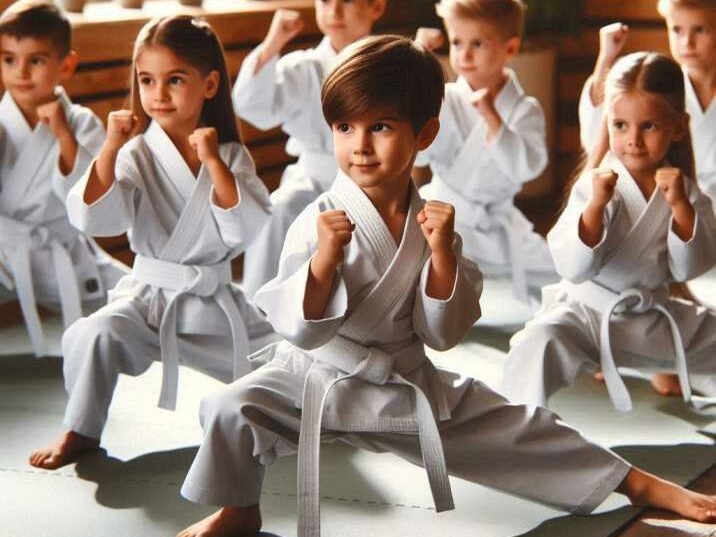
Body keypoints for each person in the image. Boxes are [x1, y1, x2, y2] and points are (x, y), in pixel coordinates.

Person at [178, 37, 716, 537]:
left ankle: (634, 482)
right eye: (345, 128)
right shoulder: (321, 218)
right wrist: (322, 262)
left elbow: (441, 334)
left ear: (425, 134)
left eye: (382, 127)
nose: (360, 146)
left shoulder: (432, 223)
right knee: (232, 406)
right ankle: (238, 508)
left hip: (405, 382)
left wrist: (439, 256)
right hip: (317, 376)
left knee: (519, 427)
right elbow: (298, 328)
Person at [29, 15, 273, 471]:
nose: (158, 93)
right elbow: (99, 216)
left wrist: (212, 162)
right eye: (146, 80)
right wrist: (111, 145)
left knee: (287, 358)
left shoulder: (231, 155)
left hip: (213, 304)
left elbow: (243, 229)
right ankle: (80, 428)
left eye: (174, 79)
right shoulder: (136, 152)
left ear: (209, 84)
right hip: (146, 302)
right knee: (94, 332)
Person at [502, 52, 716, 410]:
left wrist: (680, 207)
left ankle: (672, 371)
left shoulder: (687, 193)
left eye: (649, 126)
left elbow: (688, 270)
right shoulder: (595, 186)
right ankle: (520, 437)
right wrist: (596, 208)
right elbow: (571, 267)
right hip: (586, 317)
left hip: (651, 318)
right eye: (620, 125)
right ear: (608, 123)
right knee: (539, 341)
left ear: (678, 127)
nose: (633, 139)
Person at [234, 0, 386, 299]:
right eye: (326, 1)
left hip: (375, 183)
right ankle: (259, 307)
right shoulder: (302, 68)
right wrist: (272, 43)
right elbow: (253, 107)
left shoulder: (392, 66)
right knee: (277, 209)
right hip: (312, 180)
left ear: (377, 7)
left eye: (347, 1)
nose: (335, 11)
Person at [0, 0, 126, 356]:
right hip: (4, 251)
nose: (21, 72)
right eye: (9, 59)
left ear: (65, 64)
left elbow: (89, 202)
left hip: (65, 253)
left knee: (138, 292)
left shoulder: (81, 123)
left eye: (35, 60)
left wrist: (62, 135)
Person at [414, 0, 556, 316]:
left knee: (557, 280)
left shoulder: (524, 109)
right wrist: (417, 61)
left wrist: (493, 119)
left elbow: (528, 167)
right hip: (443, 216)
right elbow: (418, 152)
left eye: (477, 43)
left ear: (510, 48)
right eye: (456, 42)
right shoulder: (444, 98)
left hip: (498, 224)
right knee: (418, 277)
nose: (464, 55)